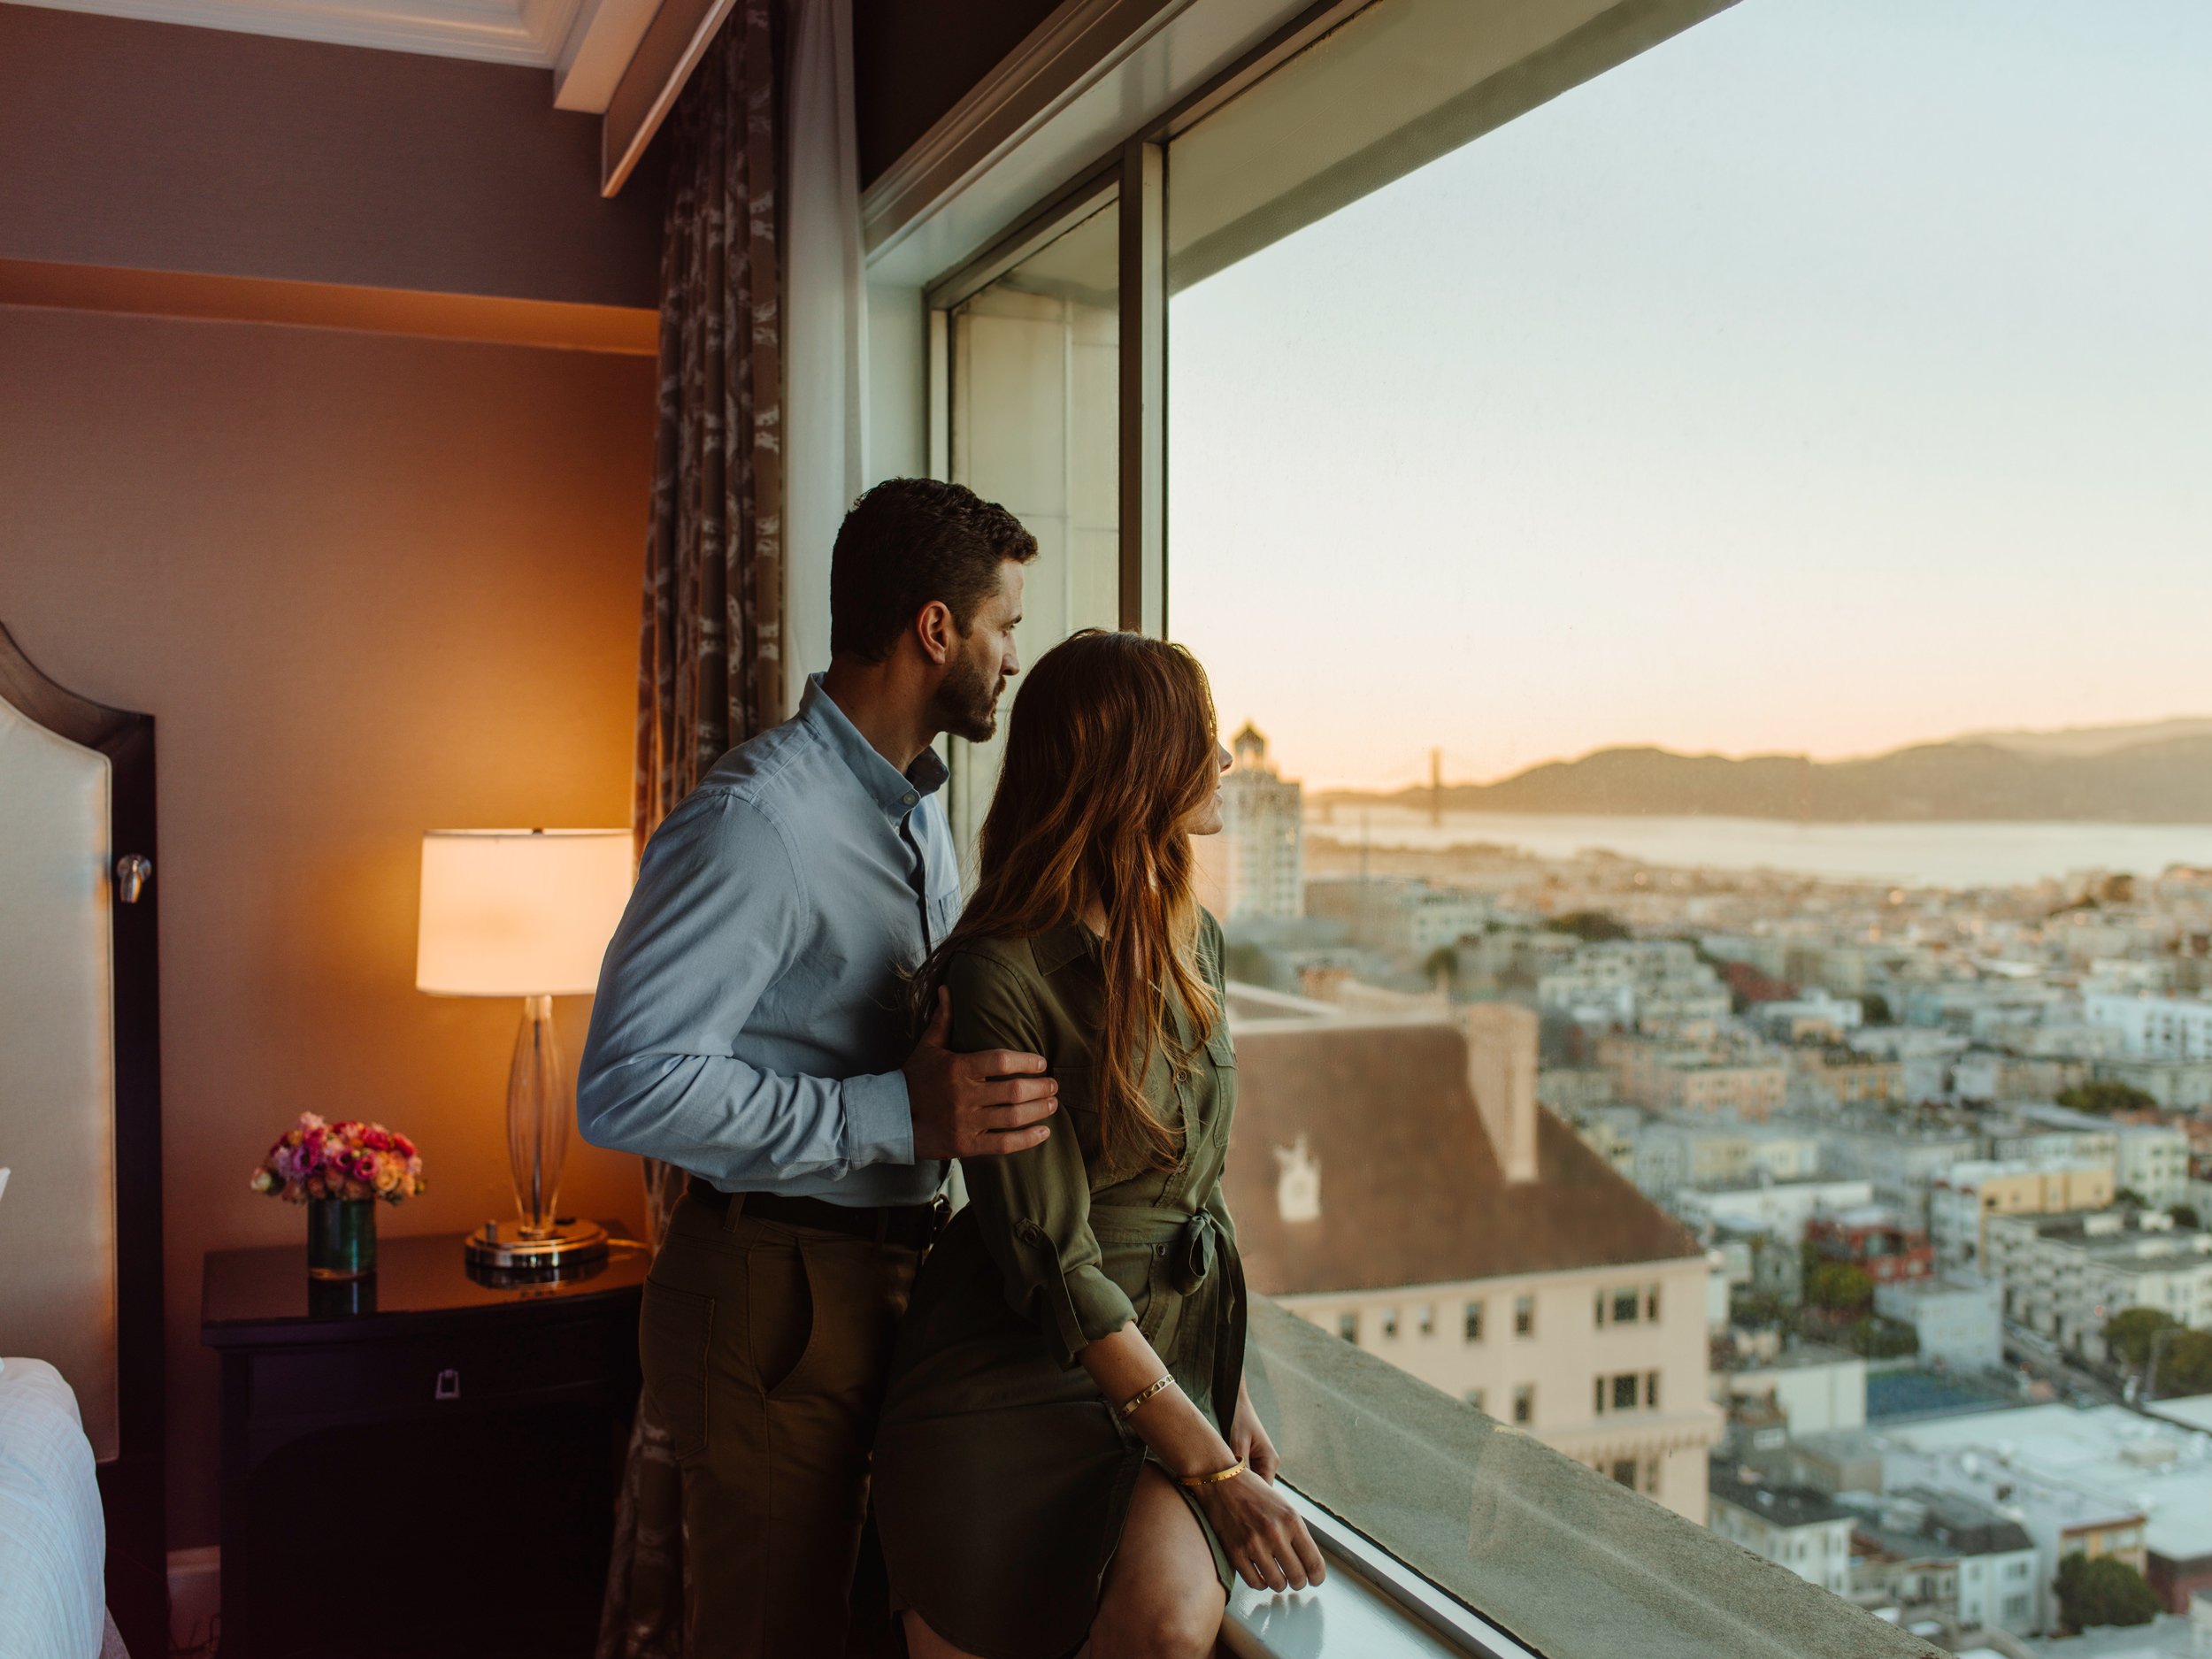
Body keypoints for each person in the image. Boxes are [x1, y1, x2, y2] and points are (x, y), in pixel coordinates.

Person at [577, 478, 1064, 1658]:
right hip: (769, 1290)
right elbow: (626, 1080)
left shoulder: (917, 812)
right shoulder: (758, 822)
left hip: (880, 1285)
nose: (1013, 657)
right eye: (1004, 624)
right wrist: (894, 1111)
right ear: (935, 630)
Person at [872, 630, 1327, 1659]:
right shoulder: (1000, 976)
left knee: (1171, 1622)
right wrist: (1211, 1467)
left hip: (1165, 1365)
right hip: (1010, 1377)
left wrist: (1229, 1388)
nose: (1218, 764)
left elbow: (1194, 1192)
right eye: (1198, 740)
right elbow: (1059, 1267)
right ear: (1132, 765)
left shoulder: (1191, 939)